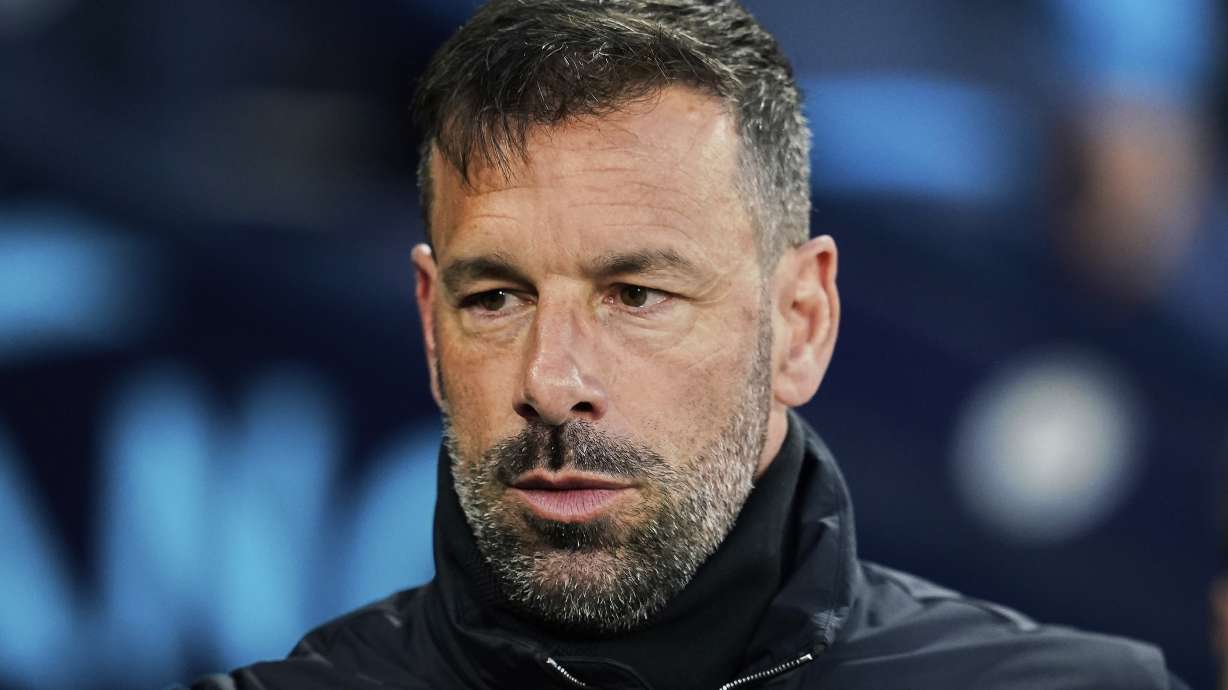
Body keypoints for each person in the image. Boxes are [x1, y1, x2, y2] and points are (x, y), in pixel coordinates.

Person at [185, 1, 1187, 687]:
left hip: (961, 218)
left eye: (634, 297)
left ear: (802, 322)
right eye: (494, 301)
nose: (555, 383)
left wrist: (1132, 73)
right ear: (432, 327)